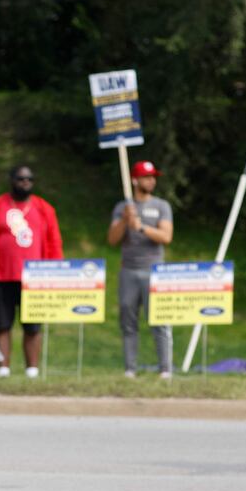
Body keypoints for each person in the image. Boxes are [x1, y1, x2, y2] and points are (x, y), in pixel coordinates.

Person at [0, 165, 63, 378]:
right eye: (20, 178)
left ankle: (32, 369)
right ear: (12, 180)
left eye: (29, 179)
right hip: (1, 277)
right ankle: (3, 369)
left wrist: (55, 270)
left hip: (34, 280)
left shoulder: (44, 209)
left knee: (32, 326)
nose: (25, 182)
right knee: (2, 324)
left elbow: (54, 243)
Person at [107, 160, 174, 379]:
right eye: (147, 177)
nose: (151, 181)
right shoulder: (122, 208)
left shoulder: (161, 206)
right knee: (128, 320)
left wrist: (142, 227)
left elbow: (166, 237)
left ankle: (165, 369)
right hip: (129, 271)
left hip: (155, 271)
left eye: (153, 176)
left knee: (159, 321)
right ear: (135, 180)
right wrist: (126, 220)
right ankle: (130, 369)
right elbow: (112, 239)